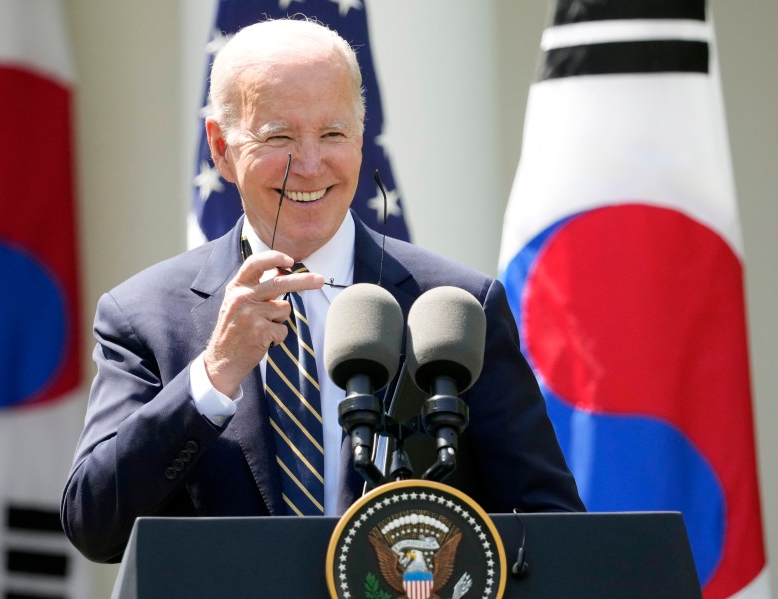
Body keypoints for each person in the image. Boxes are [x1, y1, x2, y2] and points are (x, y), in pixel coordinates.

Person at [61, 17, 584, 564]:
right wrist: (214, 373)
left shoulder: (455, 307)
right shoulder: (144, 316)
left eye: (333, 134)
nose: (310, 166)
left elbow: (552, 529)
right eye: (279, 136)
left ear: (360, 137)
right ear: (220, 147)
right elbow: (96, 526)